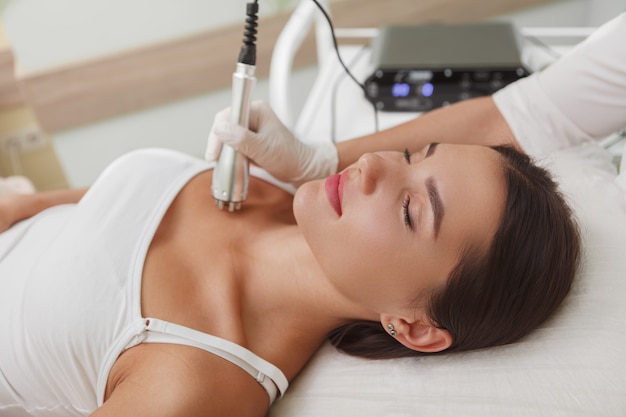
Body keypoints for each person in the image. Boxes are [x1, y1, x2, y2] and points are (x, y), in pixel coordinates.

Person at [7, 11, 626, 417]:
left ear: (412, 326)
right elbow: (91, 212)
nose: (378, 164)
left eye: (412, 210)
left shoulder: (193, 384)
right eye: (413, 153)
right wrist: (26, 202)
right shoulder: (268, 187)